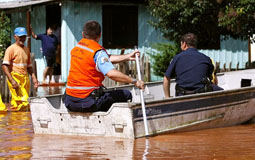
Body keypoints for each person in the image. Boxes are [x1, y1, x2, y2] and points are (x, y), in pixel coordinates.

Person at [64, 20, 144, 112]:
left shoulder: (77, 49)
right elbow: (111, 73)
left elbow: (104, 60)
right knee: (126, 94)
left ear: (83, 34)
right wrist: (134, 81)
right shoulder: (97, 52)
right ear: (100, 35)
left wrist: (127, 56)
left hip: (70, 102)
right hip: (88, 103)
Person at [163, 33, 223, 98]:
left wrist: (167, 97)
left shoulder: (177, 58)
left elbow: (166, 78)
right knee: (220, 91)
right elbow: (213, 81)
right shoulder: (206, 58)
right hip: (201, 95)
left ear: (184, 44)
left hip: (182, 95)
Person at [2, 27, 39, 111]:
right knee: (24, 100)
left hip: (25, 78)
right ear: (15, 37)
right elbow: (4, 66)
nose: (22, 39)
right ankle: (20, 121)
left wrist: (34, 78)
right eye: (20, 37)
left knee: (18, 104)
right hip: (15, 78)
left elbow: (29, 66)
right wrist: (12, 80)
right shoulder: (11, 49)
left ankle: (17, 122)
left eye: (24, 36)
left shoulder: (26, 50)